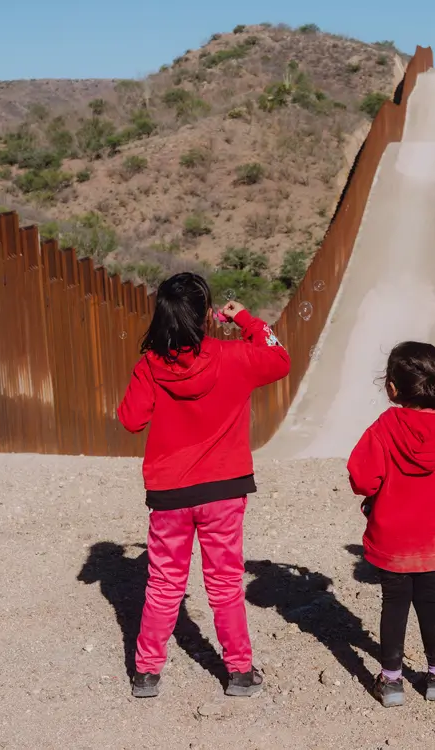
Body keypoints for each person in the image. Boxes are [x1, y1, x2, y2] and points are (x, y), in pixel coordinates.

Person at [117, 272, 290, 699]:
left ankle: (146, 674)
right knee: (225, 584)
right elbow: (280, 358)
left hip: (170, 494)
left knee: (163, 583)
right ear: (207, 316)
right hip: (224, 491)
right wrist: (247, 320)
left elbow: (130, 419)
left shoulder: (150, 365)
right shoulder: (234, 356)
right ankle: (239, 673)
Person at [347, 342, 435, 707]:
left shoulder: (385, 426)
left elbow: (362, 479)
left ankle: (391, 682)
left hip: (392, 538)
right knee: (431, 600)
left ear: (392, 387)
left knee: (394, 603)